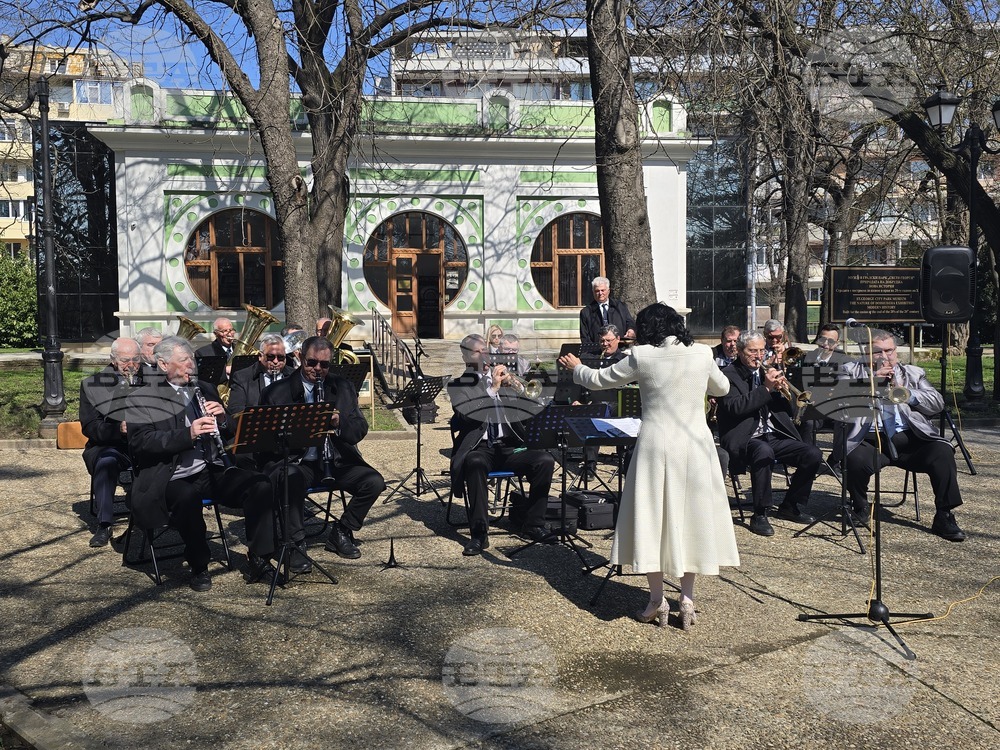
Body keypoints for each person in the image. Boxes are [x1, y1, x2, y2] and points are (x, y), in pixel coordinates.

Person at [559, 303, 738, 630]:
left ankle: (657, 601)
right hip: (696, 446)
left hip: (656, 445)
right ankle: (687, 598)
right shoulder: (700, 354)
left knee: (652, 520)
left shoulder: (642, 356)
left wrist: (577, 367)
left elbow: (600, 381)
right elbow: (723, 389)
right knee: (692, 519)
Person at [126, 337, 275, 591]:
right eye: (183, 361)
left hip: (209, 468)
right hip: (170, 475)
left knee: (259, 484)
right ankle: (199, 564)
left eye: (192, 360)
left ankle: (259, 557)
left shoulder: (205, 388)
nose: (191, 366)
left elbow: (230, 431)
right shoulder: (143, 398)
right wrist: (188, 434)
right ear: (163, 365)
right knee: (187, 498)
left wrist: (224, 419)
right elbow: (141, 443)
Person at [260, 336, 386, 563]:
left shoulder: (343, 387)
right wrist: (300, 429)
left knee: (373, 482)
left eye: (324, 365)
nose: (317, 369)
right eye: (311, 363)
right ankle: (296, 543)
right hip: (298, 461)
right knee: (290, 479)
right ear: (299, 358)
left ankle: (342, 531)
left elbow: (359, 429)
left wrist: (339, 423)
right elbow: (265, 441)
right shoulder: (277, 392)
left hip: (335, 459)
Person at [839, 331, 966, 541]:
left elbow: (937, 402)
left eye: (889, 350)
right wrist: (872, 382)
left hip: (909, 438)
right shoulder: (850, 370)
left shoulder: (912, 373)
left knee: (942, 451)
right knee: (855, 459)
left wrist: (909, 394)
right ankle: (860, 505)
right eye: (877, 351)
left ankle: (944, 515)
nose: (884, 356)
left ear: (895, 351)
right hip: (871, 437)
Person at [448, 334, 556, 556]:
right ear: (466, 355)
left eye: (486, 350)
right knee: (475, 463)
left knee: (544, 460)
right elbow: (466, 416)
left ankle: (534, 524)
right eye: (480, 351)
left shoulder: (505, 377)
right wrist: (492, 390)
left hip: (508, 446)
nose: (486, 354)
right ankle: (479, 533)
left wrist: (516, 389)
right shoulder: (459, 384)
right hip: (480, 447)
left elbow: (530, 410)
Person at [716, 331, 822, 537]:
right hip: (744, 437)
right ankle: (760, 513)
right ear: (739, 351)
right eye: (752, 351)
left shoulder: (767, 372)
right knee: (763, 452)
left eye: (761, 350)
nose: (758, 355)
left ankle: (790, 505)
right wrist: (765, 389)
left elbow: (789, 412)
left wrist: (782, 392)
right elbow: (735, 407)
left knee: (813, 454)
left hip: (772, 433)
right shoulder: (728, 374)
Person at [79, 337, 142, 547]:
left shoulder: (151, 380)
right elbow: (90, 426)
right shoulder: (92, 384)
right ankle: (105, 523)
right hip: (111, 444)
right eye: (125, 360)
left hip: (145, 442)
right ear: (113, 360)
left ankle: (160, 514)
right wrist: (118, 429)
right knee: (106, 463)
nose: (131, 365)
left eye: (136, 359)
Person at [577, 324, 628, 478]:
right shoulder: (589, 358)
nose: (605, 345)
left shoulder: (625, 360)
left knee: (624, 415)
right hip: (595, 403)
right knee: (592, 415)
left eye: (608, 341)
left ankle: (625, 463)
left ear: (618, 339)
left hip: (617, 403)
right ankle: (590, 466)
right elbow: (578, 383)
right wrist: (579, 401)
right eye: (602, 341)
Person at [793, 323, 847, 447]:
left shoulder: (844, 360)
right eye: (823, 339)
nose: (826, 344)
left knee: (847, 423)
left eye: (831, 341)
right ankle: (809, 458)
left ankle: (836, 459)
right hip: (813, 409)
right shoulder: (808, 358)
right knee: (808, 423)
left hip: (834, 409)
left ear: (837, 343)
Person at [226, 333, 295, 416]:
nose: (276, 361)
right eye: (270, 357)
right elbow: (235, 409)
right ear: (260, 356)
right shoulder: (242, 377)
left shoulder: (294, 375)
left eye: (280, 357)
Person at [579, 276, 636, 345]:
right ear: (593, 292)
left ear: (608, 291)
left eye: (603, 290)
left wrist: (631, 330)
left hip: (620, 348)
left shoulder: (620, 307)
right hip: (597, 351)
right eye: (597, 291)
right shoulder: (586, 312)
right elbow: (585, 337)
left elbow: (630, 322)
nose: (600, 293)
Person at [196, 317, 237, 385]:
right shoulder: (203, 353)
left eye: (231, 330)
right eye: (225, 331)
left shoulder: (241, 349)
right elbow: (205, 379)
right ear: (216, 334)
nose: (229, 334)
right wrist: (225, 371)